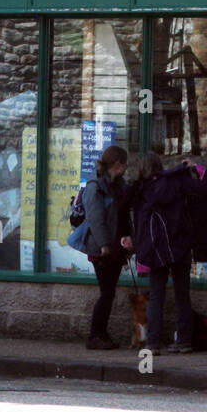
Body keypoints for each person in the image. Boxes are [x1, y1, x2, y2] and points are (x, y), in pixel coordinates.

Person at [128, 152, 207, 353]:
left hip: (157, 248)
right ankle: (184, 341)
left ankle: (152, 342)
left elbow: (134, 216)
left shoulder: (141, 189)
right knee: (183, 294)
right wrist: (198, 168)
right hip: (180, 244)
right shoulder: (177, 181)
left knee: (157, 295)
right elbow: (206, 189)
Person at [80, 145, 132, 350]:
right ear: (118, 164)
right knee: (107, 292)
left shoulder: (119, 185)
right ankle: (95, 335)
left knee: (108, 292)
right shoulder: (96, 186)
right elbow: (95, 218)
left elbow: (124, 215)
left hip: (116, 246)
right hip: (103, 249)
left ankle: (101, 333)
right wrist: (103, 245)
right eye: (124, 164)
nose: (126, 167)